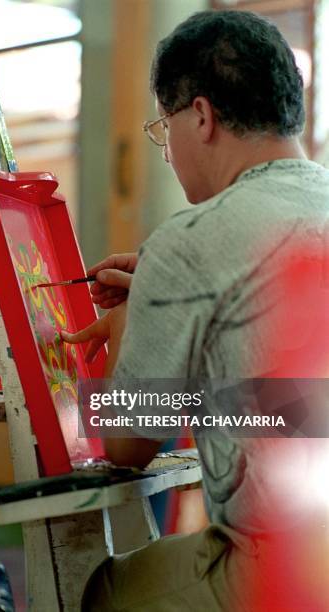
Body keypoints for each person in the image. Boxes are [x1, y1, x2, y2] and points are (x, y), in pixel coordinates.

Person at [61, 9, 329, 612]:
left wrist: (132, 321)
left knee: (103, 588)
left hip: (277, 570)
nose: (168, 147)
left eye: (163, 127)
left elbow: (127, 444)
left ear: (201, 117)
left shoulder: (190, 241)